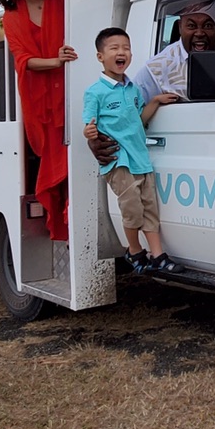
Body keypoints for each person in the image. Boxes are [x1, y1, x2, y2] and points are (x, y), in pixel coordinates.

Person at [82, 27, 182, 273]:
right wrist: (89, 133)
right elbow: (88, 126)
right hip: (118, 161)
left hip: (141, 159)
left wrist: (156, 101)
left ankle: (158, 256)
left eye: (126, 48)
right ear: (100, 57)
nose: (122, 52)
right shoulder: (95, 92)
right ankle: (134, 251)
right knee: (133, 210)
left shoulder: (133, 89)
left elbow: (140, 119)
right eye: (114, 48)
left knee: (150, 209)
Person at [0, 0, 74, 241]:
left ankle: (73, 226)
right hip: (42, 103)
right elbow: (23, 61)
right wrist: (58, 60)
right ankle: (66, 233)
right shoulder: (12, 14)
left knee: (74, 164)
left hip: (73, 94)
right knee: (57, 167)